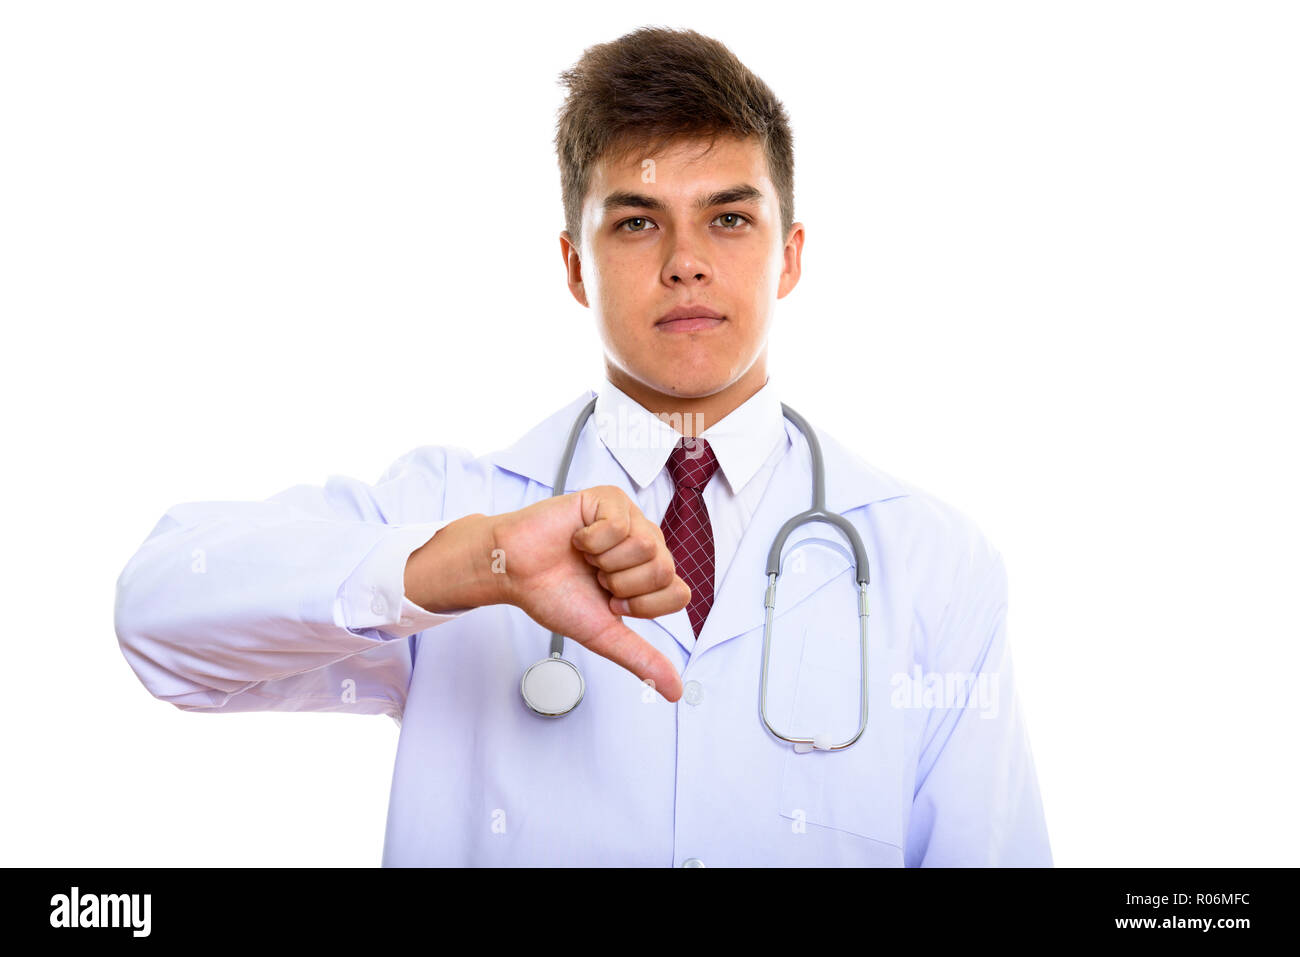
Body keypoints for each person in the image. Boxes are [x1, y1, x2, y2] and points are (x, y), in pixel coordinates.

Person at [115, 25, 1051, 867]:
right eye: (637, 221)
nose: (685, 258)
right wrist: (470, 561)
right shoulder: (457, 504)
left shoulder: (935, 563)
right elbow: (160, 612)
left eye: (729, 217)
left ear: (791, 255)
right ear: (573, 265)